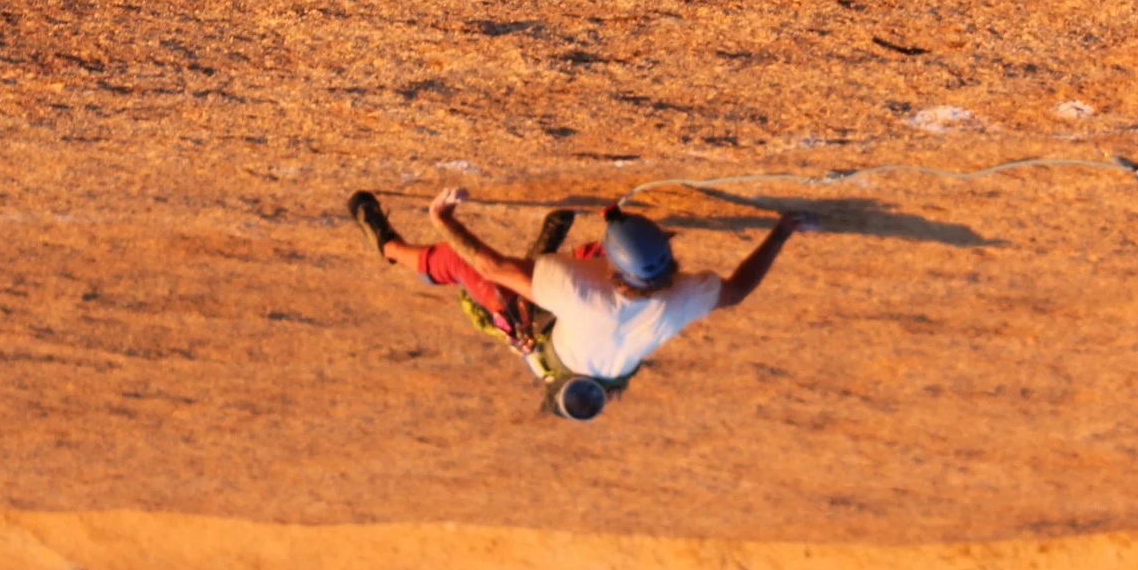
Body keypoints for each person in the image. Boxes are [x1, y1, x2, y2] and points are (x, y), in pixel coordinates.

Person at [346, 186, 814, 399]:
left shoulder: (582, 289)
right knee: (548, 267)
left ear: (612, 269)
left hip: (554, 348)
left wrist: (443, 220)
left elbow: (491, 265)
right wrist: (780, 234)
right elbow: (738, 291)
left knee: (461, 267)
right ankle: (542, 251)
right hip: (599, 361)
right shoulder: (685, 297)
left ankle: (388, 247)